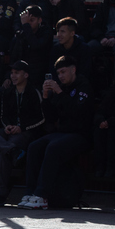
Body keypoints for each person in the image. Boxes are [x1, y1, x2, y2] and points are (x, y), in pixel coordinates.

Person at [18, 55, 93, 210]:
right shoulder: (61, 88)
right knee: (34, 147)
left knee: (53, 147)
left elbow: (77, 112)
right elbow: (51, 118)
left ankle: (42, 195)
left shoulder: (83, 86)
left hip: (80, 134)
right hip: (61, 133)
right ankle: (30, 192)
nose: (61, 76)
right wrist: (46, 97)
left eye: (63, 72)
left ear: (73, 70)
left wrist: (59, 93)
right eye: (58, 73)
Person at [0, 60, 44, 206]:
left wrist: (22, 127)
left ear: (26, 75)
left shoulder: (33, 92)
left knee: (6, 150)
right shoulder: (7, 92)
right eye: (12, 73)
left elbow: (41, 118)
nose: (13, 76)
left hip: (26, 133)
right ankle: (12, 150)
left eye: (17, 73)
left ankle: (0, 193)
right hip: (9, 132)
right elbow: (3, 116)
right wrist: (7, 126)